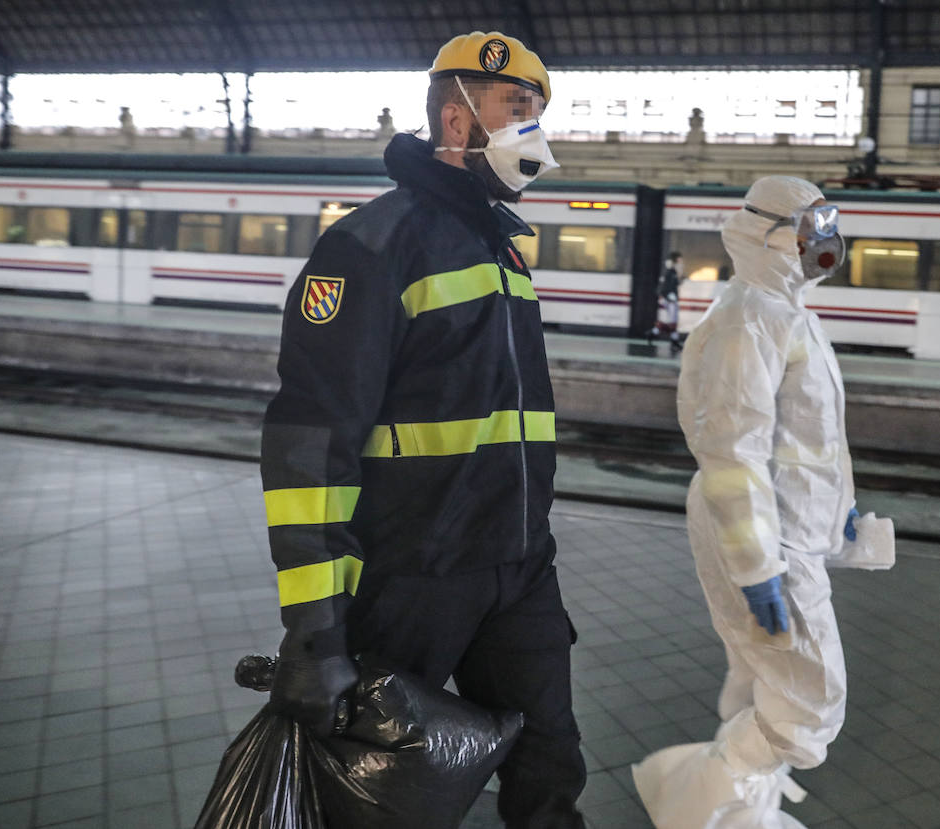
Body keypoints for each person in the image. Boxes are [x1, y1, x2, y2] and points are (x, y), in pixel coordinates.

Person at [259, 30, 584, 827]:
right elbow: (310, 445)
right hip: (413, 574)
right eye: (518, 107)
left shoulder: (502, 246)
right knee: (381, 791)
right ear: (456, 118)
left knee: (550, 764)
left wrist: (529, 541)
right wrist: (315, 630)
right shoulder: (370, 246)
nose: (534, 130)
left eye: (538, 112)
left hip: (518, 565)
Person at [632, 176, 859, 828]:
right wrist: (759, 565)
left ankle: (741, 816)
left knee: (759, 679)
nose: (826, 246)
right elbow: (733, 452)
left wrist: (840, 504)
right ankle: (695, 790)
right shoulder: (747, 321)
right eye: (812, 233)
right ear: (770, 238)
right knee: (813, 702)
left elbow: (812, 432)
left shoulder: (782, 313)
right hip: (766, 538)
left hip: (785, 528)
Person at [647, 251, 685, 350]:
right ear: (676, 259)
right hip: (671, 299)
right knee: (673, 322)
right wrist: (669, 297)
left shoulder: (671, 271)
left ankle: (672, 340)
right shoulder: (671, 272)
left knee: (674, 321)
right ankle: (653, 333)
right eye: (680, 259)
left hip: (670, 299)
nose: (681, 261)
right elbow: (669, 286)